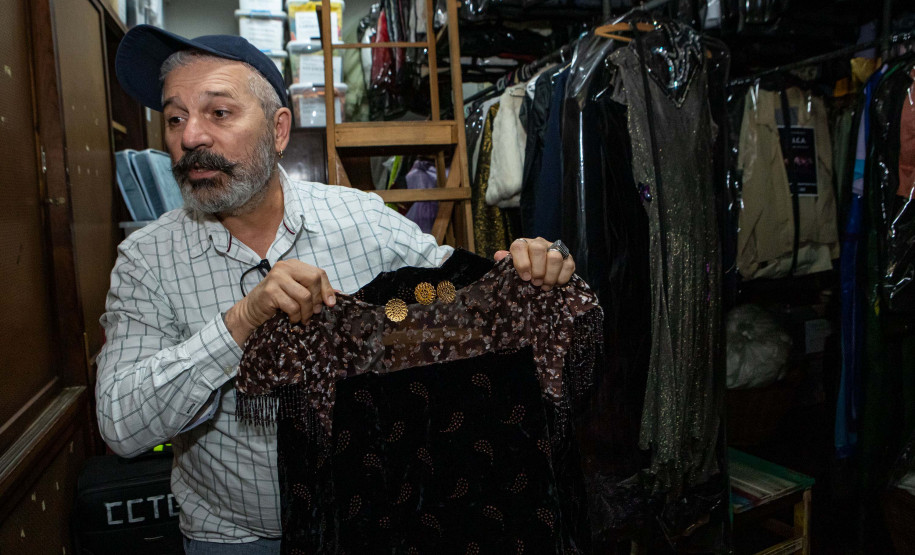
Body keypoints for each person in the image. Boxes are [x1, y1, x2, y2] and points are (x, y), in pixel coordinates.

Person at [97, 24, 577, 554]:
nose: (190, 138)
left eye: (219, 112)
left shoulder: (361, 220)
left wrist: (530, 269)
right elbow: (121, 425)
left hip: (369, 525)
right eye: (175, 118)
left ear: (279, 130)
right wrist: (239, 325)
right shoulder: (146, 260)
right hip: (234, 539)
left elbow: (459, 300)